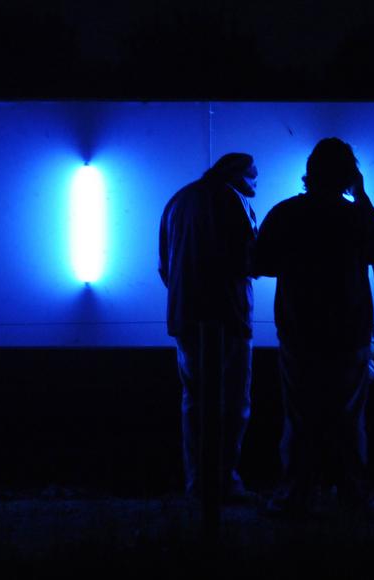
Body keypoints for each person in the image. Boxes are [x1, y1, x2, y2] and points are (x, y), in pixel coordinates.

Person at [253, 138, 374, 516]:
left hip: (299, 329)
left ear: (309, 172)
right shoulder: (354, 217)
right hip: (350, 332)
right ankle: (352, 494)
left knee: (301, 416)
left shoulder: (286, 213)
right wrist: (361, 195)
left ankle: (296, 493)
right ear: (349, 175)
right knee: (348, 419)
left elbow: (260, 262)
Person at [158, 153, 258, 502]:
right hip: (228, 317)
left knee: (195, 400)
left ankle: (197, 483)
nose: (255, 183)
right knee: (232, 402)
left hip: (185, 317)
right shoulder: (233, 200)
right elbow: (250, 259)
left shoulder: (179, 199)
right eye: (252, 176)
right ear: (238, 175)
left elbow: (164, 266)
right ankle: (225, 481)